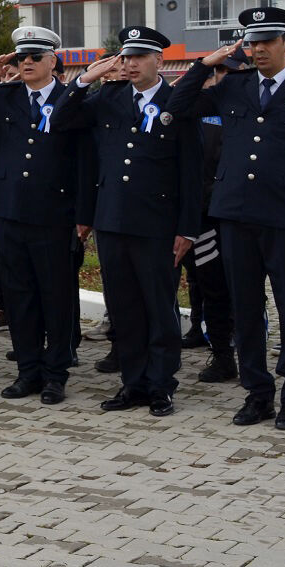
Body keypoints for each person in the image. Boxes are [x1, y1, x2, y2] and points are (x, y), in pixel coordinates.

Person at [165, 7, 285, 430]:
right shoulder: (233, 86)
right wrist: (204, 64)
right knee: (245, 308)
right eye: (252, 43)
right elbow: (178, 104)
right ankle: (257, 393)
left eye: (266, 42)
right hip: (236, 215)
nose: (258, 49)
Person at [52, 27, 201, 416]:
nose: (131, 63)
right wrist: (85, 79)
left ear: (160, 61)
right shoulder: (109, 98)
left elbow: (191, 171)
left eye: (139, 57)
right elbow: (62, 118)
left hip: (158, 224)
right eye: (126, 57)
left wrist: (187, 228)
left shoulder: (176, 101)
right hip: (113, 220)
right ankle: (133, 383)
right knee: (124, 308)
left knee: (159, 306)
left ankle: (161, 385)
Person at [0, 26, 88, 405]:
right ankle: (28, 371)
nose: (25, 63)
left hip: (54, 213)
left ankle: (55, 374)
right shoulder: (3, 96)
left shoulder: (69, 98)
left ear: (53, 61)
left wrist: (82, 214)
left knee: (56, 298)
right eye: (20, 58)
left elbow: (83, 160)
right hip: (10, 212)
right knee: (19, 297)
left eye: (34, 57)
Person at [188, 48, 247, 383]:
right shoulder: (206, 107)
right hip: (209, 215)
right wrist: (201, 68)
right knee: (212, 288)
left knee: (248, 289)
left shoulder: (255, 108)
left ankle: (253, 349)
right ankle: (223, 355)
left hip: (246, 216)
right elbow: (178, 101)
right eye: (221, 72)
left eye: (233, 72)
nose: (226, 78)